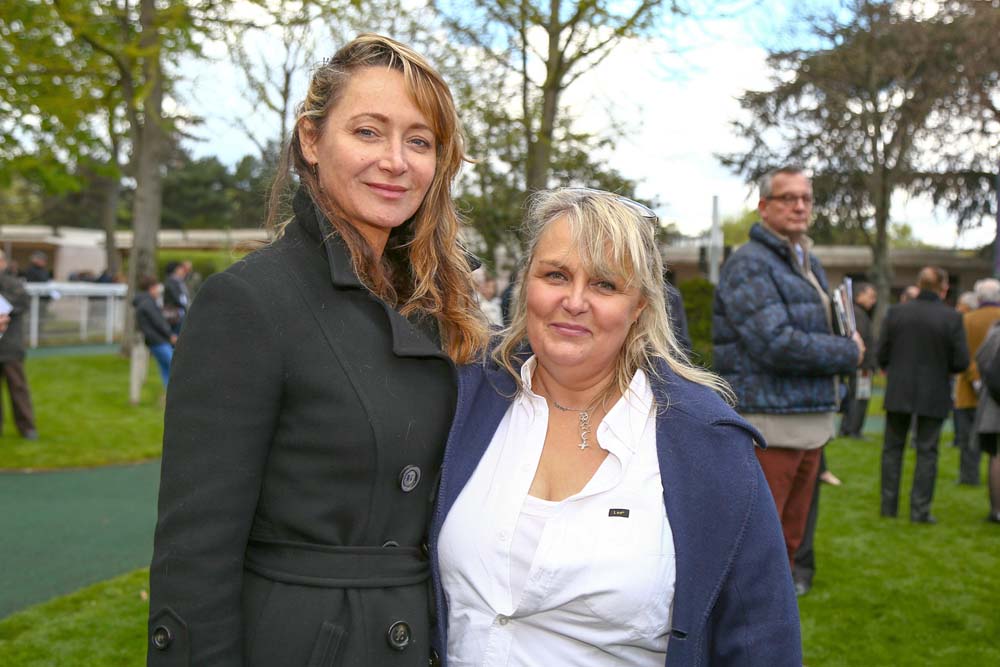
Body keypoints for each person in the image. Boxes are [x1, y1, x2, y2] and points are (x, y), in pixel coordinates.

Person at [147, 34, 488, 667]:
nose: (396, 160)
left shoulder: (440, 311)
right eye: (368, 132)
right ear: (312, 139)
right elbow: (194, 555)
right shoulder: (249, 303)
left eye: (420, 141)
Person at [431, 188, 801, 666]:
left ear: (641, 306)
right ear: (525, 284)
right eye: (556, 275)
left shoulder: (708, 446)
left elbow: (761, 638)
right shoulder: (461, 398)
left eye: (605, 284)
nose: (574, 300)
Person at [712, 166, 863, 597]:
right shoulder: (749, 263)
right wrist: (849, 352)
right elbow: (775, 343)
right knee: (756, 549)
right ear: (763, 207)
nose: (800, 206)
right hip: (769, 423)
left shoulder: (806, 259)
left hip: (809, 420)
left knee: (787, 546)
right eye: (787, 198)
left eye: (806, 198)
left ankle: (769, 632)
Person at [876, 266, 969, 523]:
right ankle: (919, 510)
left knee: (892, 449)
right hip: (934, 390)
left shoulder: (896, 313)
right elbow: (961, 361)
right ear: (944, 286)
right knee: (927, 451)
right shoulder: (951, 318)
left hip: (899, 388)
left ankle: (888, 506)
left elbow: (881, 352)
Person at [953, 279, 1000, 484]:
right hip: (995, 387)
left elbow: (961, 355)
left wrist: (973, 377)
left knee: (966, 437)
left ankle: (968, 476)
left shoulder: (966, 320)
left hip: (967, 384)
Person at [0, 251, 38, 440]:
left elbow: (20, 303)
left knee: (18, 388)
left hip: (10, 346)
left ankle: (27, 427)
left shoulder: (13, 283)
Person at [839, 281, 878, 439]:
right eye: (870, 296)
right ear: (859, 295)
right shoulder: (859, 314)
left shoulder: (857, 313)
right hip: (862, 366)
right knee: (860, 398)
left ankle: (847, 428)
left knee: (855, 396)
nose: (873, 300)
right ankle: (854, 430)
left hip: (859, 364)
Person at [971, 321, 1000, 523]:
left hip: (996, 403)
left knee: (997, 456)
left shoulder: (996, 333)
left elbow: (982, 359)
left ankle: (997, 510)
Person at [133, 275, 177, 388]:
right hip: (158, 341)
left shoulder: (144, 302)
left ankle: (169, 392)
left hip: (154, 341)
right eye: (157, 287)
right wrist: (170, 335)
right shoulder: (148, 303)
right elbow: (158, 322)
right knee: (174, 365)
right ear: (151, 288)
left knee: (165, 367)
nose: (158, 290)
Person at [161, 261, 190, 334]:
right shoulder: (172, 282)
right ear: (175, 270)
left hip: (179, 314)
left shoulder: (178, 281)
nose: (183, 271)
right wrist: (185, 306)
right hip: (175, 315)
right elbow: (178, 298)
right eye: (180, 269)